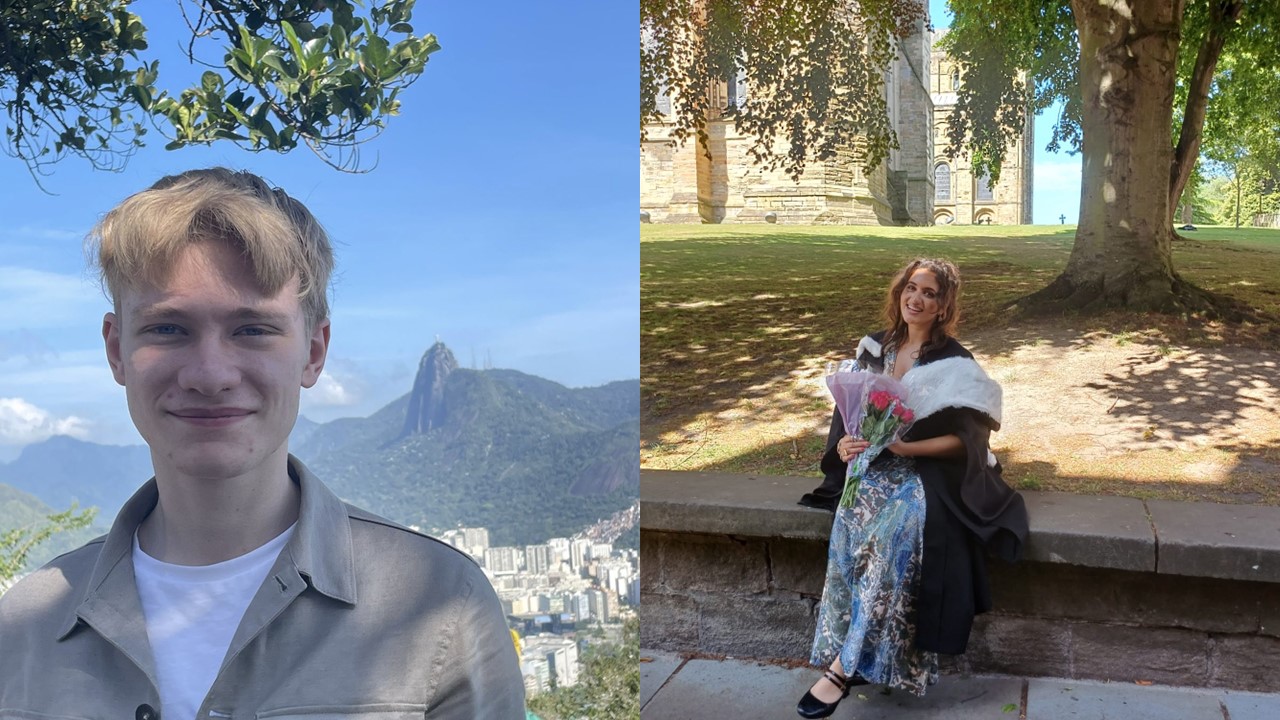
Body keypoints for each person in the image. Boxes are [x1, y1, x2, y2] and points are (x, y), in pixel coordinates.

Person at [0, 168, 526, 719]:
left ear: (314, 352)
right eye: (168, 329)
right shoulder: (26, 626)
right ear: (116, 351)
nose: (210, 374)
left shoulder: (438, 604)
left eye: (252, 329)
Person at [795, 258, 1028, 718]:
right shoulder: (874, 348)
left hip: (929, 473)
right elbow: (850, 416)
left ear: (943, 306)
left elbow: (969, 442)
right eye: (911, 288)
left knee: (897, 533)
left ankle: (842, 668)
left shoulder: (955, 364)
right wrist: (846, 443)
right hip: (874, 466)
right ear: (900, 291)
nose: (916, 299)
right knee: (849, 519)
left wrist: (905, 449)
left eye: (930, 293)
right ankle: (859, 651)